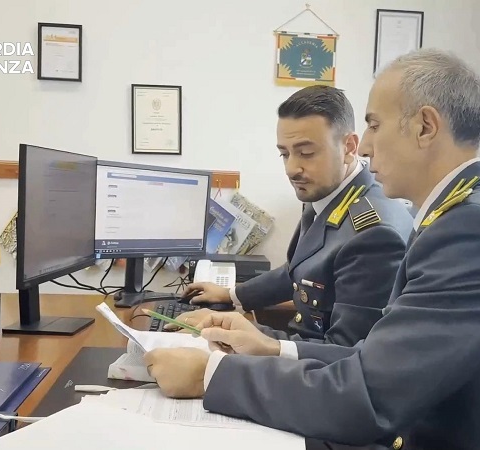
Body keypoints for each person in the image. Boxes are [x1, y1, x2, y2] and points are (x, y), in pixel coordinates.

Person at [144, 48, 480, 450]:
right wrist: (272, 348)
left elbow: (369, 395)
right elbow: (379, 360)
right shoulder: (467, 215)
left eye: (374, 125)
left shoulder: (477, 232)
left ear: (425, 127)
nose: (365, 147)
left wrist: (211, 375)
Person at [173, 85, 413, 346]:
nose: (291, 169)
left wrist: (240, 333)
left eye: (306, 153)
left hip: (315, 363)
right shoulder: (327, 193)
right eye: (284, 153)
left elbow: (344, 352)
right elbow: (298, 272)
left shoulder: (373, 234)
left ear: (349, 146)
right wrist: (232, 295)